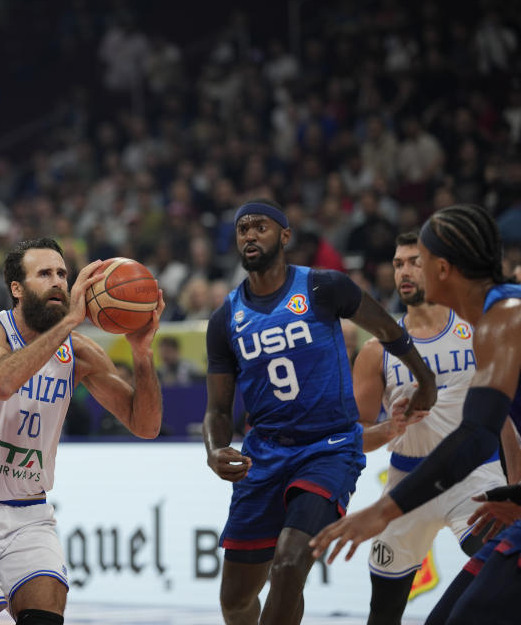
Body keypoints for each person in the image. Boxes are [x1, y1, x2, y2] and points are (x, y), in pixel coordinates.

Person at [203, 198, 437, 625]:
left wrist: (425, 380)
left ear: (285, 236)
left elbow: (387, 330)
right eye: (243, 229)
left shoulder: (322, 287)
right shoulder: (225, 319)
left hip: (328, 448)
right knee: (236, 600)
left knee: (290, 565)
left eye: (261, 227)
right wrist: (215, 448)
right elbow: (217, 409)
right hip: (264, 453)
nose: (250, 235)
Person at [0, 238, 164, 625]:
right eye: (44, 274)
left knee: (46, 616)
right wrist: (70, 320)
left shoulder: (80, 352)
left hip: (28, 511)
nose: (57, 282)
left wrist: (141, 353)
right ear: (17, 289)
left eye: (62, 274)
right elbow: (2, 381)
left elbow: (146, 425)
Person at [310, 204, 521, 625]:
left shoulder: (500, 321)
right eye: (399, 264)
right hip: (414, 474)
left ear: (442, 268)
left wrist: (382, 510)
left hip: (472, 477)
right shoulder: (490, 320)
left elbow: (483, 435)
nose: (405, 272)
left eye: (416, 261)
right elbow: (490, 429)